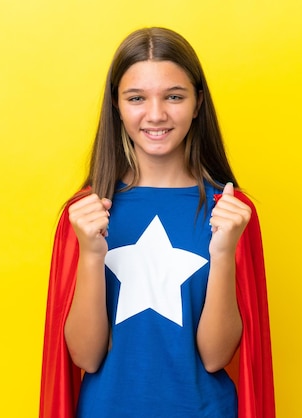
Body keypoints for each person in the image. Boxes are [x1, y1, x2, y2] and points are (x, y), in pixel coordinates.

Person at [39, 27, 275, 418]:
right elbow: (86, 356)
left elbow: (216, 358)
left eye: (174, 97)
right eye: (136, 98)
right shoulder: (84, 214)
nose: (156, 114)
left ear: (198, 102)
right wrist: (91, 255)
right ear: (116, 106)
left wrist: (223, 252)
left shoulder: (232, 211)